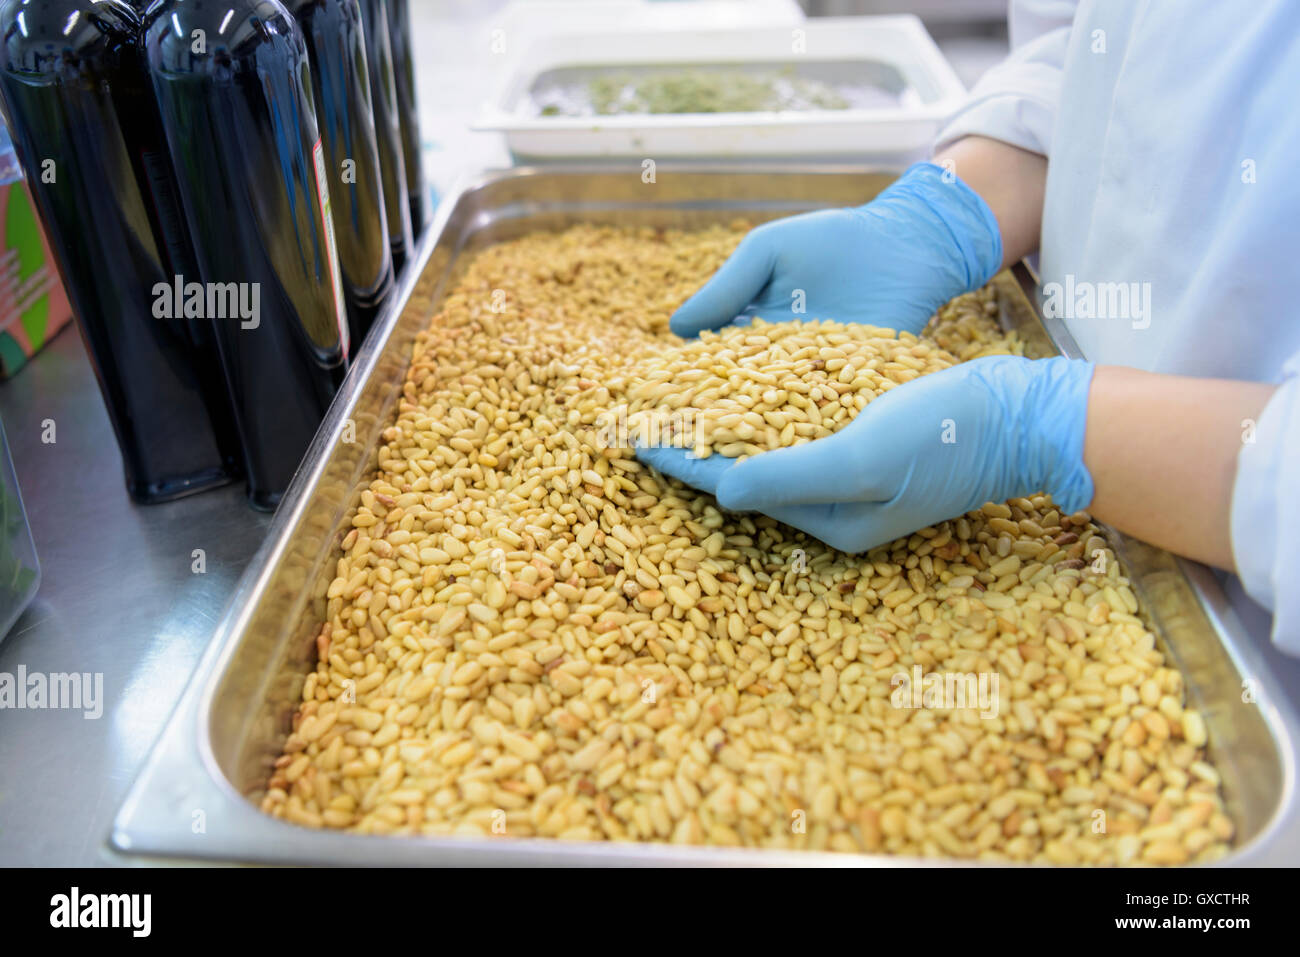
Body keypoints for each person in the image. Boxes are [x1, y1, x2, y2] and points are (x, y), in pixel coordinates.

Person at [635, 0, 1299, 656]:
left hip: (1243, 604)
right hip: (1074, 381)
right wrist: (945, 214)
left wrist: (1045, 428)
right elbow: (1103, 56)